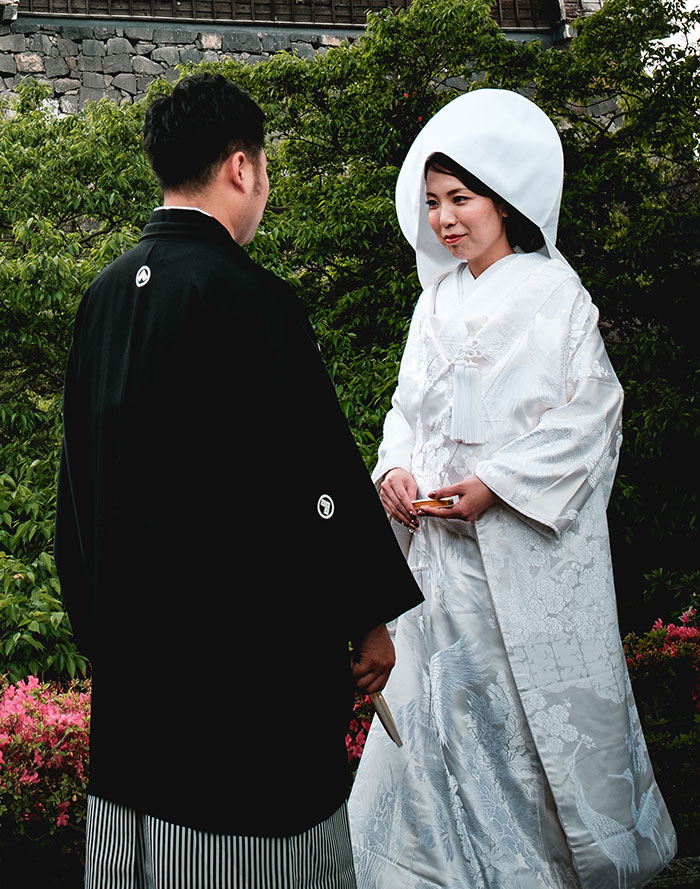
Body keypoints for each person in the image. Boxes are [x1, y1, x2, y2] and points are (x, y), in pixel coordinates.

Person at [54, 73, 422, 889]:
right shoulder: (252, 299)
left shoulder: (104, 296)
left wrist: (106, 635)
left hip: (135, 696)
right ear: (241, 168)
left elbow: (73, 496)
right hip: (242, 702)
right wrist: (366, 616)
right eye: (266, 167)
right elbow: (315, 486)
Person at [347, 89, 676, 889]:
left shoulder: (554, 293)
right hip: (439, 566)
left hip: (518, 561)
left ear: (504, 199)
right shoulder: (435, 302)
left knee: (515, 727)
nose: (444, 218)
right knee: (431, 727)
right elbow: (405, 409)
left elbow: (593, 413)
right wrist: (394, 470)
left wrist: (496, 482)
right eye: (431, 202)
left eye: (461, 198)